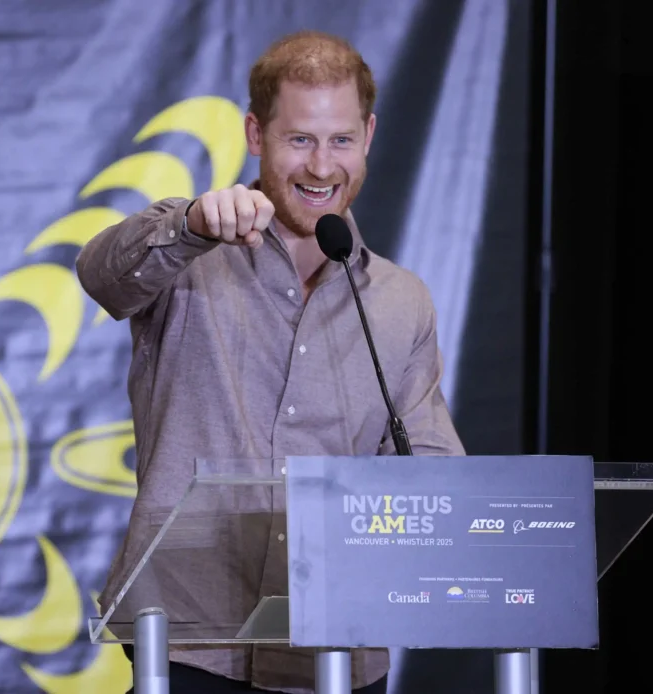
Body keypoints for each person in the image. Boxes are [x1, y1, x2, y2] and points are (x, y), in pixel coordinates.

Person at [76, 30, 465, 694]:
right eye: (300, 140)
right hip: (190, 644)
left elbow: (431, 469)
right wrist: (192, 225)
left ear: (369, 135)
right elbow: (102, 273)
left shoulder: (402, 300)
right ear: (256, 134)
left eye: (341, 139)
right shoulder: (188, 253)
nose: (321, 167)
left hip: (337, 649)